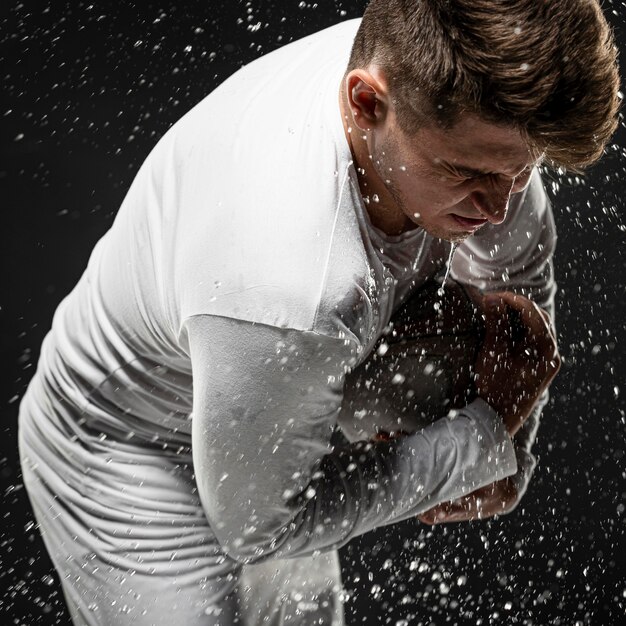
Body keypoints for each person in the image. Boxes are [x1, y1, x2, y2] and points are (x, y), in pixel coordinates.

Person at [17, 1, 619, 624]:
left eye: (521, 173)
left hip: (277, 394)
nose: (498, 207)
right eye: (467, 174)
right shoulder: (288, 275)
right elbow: (262, 530)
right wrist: (479, 443)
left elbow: (515, 288)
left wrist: (510, 447)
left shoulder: (461, 97)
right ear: (366, 103)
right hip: (124, 446)